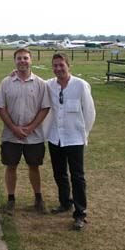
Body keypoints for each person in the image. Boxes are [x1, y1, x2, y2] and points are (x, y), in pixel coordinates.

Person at [0, 48, 51, 216]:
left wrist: (31, 127)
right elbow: (0, 107)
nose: (22, 61)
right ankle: (11, 199)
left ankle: (38, 198)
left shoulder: (41, 83)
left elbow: (44, 107)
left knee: (34, 166)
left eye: (25, 58)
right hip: (11, 135)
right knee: (11, 166)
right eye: (19, 58)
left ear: (31, 60)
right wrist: (14, 128)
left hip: (34, 136)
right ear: (14, 61)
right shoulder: (6, 82)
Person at [46, 53, 95, 230]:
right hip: (55, 137)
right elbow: (33, 82)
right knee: (59, 173)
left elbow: (89, 113)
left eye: (61, 65)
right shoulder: (49, 85)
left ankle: (80, 212)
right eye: (55, 66)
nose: (58, 69)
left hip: (75, 138)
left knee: (78, 176)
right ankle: (65, 202)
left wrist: (84, 133)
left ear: (68, 65)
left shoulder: (80, 85)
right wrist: (15, 72)